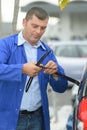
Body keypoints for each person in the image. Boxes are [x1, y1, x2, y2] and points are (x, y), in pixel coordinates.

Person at [0, 7, 68, 130]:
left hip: (38, 119)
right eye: (34, 26)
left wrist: (56, 74)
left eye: (43, 28)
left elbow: (61, 88)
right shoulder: (5, 44)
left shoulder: (47, 51)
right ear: (24, 22)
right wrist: (21, 69)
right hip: (10, 120)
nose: (38, 31)